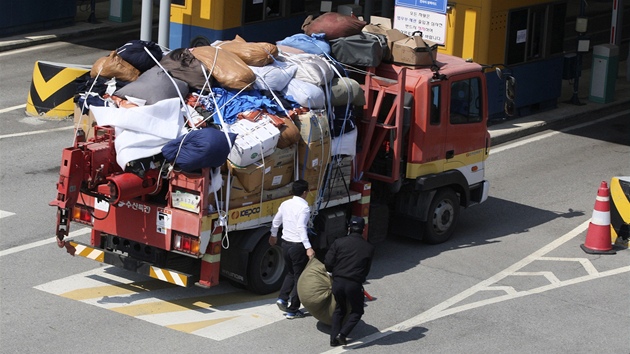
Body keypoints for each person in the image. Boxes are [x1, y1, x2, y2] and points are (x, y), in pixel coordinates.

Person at [324, 216, 375, 346]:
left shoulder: (339, 242)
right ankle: (343, 334)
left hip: (338, 283)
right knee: (357, 311)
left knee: (339, 309)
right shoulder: (368, 247)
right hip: (353, 284)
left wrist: (332, 272)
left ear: (349, 228)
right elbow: (366, 271)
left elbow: (328, 263)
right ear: (363, 229)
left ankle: (333, 340)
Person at [269, 179, 315, 319]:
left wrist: (273, 235)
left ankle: (282, 298)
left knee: (290, 273)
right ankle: (293, 309)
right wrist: (308, 247)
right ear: (305, 192)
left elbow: (276, 221)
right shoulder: (304, 208)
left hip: (285, 244)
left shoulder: (285, 204)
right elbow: (301, 227)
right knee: (299, 278)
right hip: (297, 246)